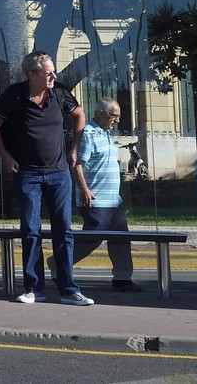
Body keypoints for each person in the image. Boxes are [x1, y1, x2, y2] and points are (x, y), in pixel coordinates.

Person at [0, 50, 92, 306]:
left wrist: (74, 149)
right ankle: (34, 288)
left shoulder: (59, 93)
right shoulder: (14, 95)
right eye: (48, 73)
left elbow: (79, 115)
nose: (53, 76)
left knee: (63, 230)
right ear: (31, 75)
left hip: (59, 173)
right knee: (31, 231)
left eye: (54, 72)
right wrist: (5, 156)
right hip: (28, 174)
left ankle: (69, 289)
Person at [72, 96, 141, 292]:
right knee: (93, 238)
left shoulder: (107, 134)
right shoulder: (88, 134)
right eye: (114, 116)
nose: (117, 120)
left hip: (114, 200)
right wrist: (84, 189)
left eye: (118, 116)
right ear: (101, 114)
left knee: (121, 238)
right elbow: (77, 164)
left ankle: (123, 278)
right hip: (95, 199)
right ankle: (59, 262)